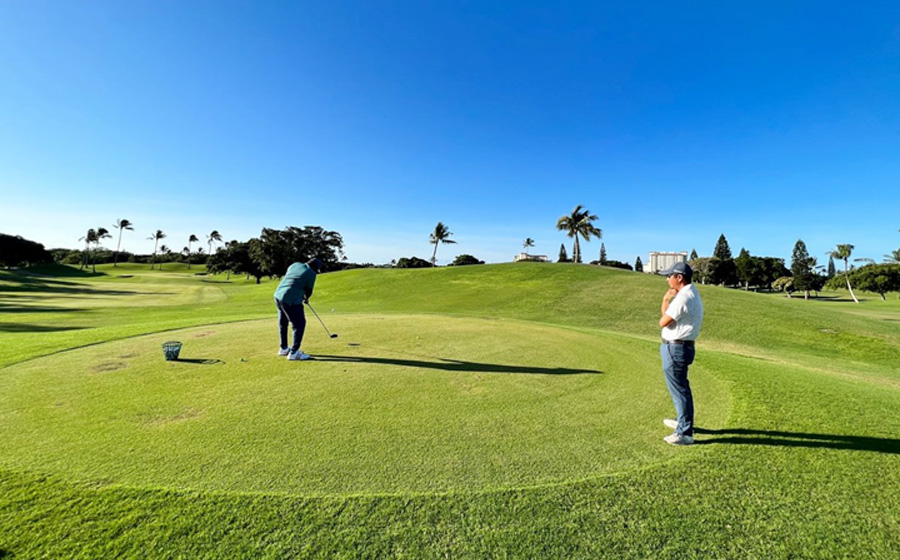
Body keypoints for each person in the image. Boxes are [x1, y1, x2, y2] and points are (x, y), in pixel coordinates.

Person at [657, 261, 704, 445]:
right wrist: (666, 300)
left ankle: (684, 432)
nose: (667, 279)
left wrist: (666, 300)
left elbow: (663, 321)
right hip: (681, 347)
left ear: (679, 277)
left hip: (676, 348)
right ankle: (682, 421)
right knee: (680, 388)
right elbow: (667, 317)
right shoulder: (691, 293)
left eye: (670, 276)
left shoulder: (684, 297)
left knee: (680, 390)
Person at [274, 258, 323, 361]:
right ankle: (294, 352)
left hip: (278, 295)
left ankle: (283, 348)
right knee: (299, 324)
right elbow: (308, 290)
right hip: (291, 299)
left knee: (283, 322)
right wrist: (306, 298)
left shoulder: (295, 265)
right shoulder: (311, 273)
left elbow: (293, 279)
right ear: (315, 268)